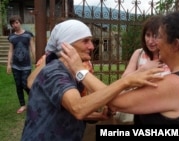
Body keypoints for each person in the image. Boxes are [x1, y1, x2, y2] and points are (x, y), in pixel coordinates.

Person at [62, 10, 179, 125]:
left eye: (160, 36)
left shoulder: (176, 84)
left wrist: (80, 70)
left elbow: (115, 102)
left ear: (176, 44)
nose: (156, 43)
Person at [21, 19, 163, 141]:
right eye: (86, 41)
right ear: (67, 45)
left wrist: (99, 115)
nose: (92, 46)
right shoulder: (55, 72)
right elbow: (78, 108)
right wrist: (126, 81)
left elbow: (69, 110)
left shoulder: (70, 71)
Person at [121, 15, 171, 124]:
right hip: (140, 110)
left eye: (155, 36)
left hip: (164, 113)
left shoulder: (170, 57)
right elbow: (124, 80)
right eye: (148, 35)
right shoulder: (138, 53)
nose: (151, 41)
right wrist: (144, 69)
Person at [6, 15, 35, 114]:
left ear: (20, 22)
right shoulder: (11, 37)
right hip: (15, 65)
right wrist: (8, 64)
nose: (15, 25)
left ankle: (34, 99)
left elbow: (32, 47)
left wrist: (36, 58)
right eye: (13, 23)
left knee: (25, 84)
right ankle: (23, 105)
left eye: (16, 22)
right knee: (18, 85)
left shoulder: (28, 35)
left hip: (26, 64)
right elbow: (10, 51)